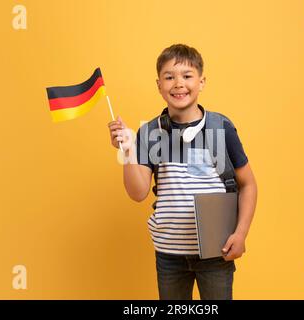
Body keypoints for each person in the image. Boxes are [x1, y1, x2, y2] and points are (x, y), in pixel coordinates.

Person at [107, 44, 258, 300]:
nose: (178, 84)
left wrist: (241, 234)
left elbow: (249, 185)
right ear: (158, 85)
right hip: (169, 255)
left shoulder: (220, 127)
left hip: (216, 250)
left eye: (187, 76)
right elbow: (138, 192)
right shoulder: (150, 133)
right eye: (169, 77)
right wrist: (128, 150)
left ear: (201, 82)